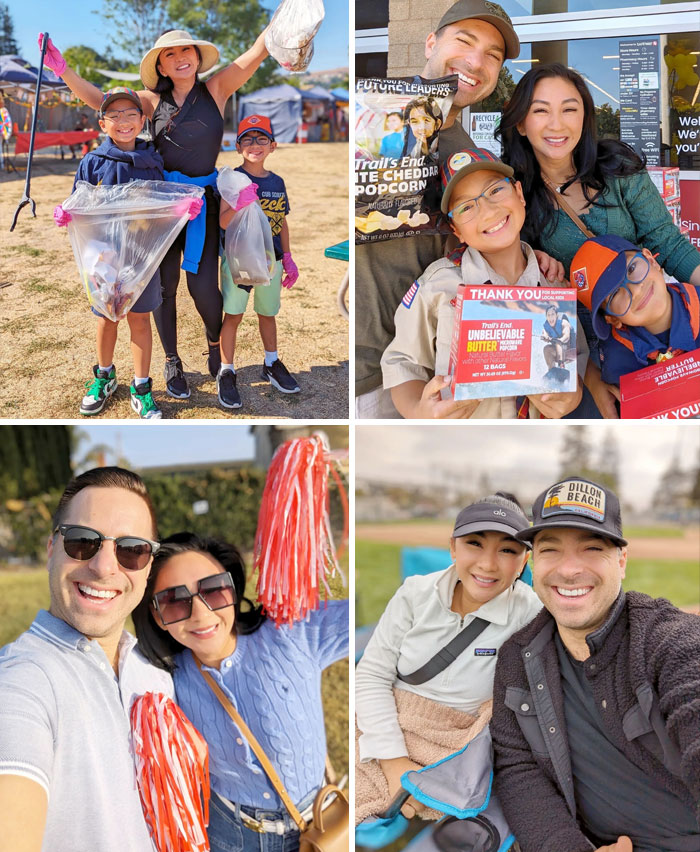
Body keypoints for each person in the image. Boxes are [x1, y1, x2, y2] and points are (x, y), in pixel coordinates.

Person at [355, 0, 564, 418]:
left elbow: (472, 237)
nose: (475, 61)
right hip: (367, 366)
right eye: (464, 41)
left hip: (440, 370)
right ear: (431, 42)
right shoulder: (370, 119)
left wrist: (522, 255)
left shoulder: (469, 156)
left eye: (493, 55)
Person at [40, 24, 271, 400]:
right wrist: (62, 69)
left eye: (186, 52)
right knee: (163, 288)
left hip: (202, 202)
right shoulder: (149, 101)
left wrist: (282, 23)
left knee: (202, 290)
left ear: (197, 58)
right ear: (161, 66)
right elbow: (104, 102)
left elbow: (254, 54)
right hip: (159, 204)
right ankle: (172, 360)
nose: (180, 59)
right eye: (170, 55)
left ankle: (214, 345)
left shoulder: (216, 89)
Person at [490, 477, 700, 852]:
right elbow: (517, 770)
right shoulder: (516, 658)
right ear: (533, 564)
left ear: (621, 561)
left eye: (591, 548)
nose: (569, 570)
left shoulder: (667, 641)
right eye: (551, 550)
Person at [497, 62, 700, 417]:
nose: (557, 124)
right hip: (587, 356)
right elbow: (535, 298)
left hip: (657, 331)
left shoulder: (617, 168)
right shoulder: (515, 200)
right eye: (540, 111)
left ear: (584, 117)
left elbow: (668, 243)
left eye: (569, 109)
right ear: (520, 123)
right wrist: (588, 376)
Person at [132, 533, 349, 852]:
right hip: (231, 836)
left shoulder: (292, 631)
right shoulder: (162, 676)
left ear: (232, 588)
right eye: (174, 601)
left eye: (214, 589)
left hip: (317, 824)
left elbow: (392, 623)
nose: (200, 614)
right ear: (156, 615)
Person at [0, 466, 173, 852]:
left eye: (131, 550)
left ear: (147, 568)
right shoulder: (21, 682)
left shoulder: (153, 671)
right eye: (82, 541)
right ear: (50, 550)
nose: (103, 566)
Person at [355, 493, 542, 822]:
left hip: (458, 743)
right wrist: (393, 762)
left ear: (524, 561)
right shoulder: (415, 594)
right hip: (388, 720)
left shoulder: (531, 614)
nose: (487, 563)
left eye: (508, 550)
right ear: (453, 547)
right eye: (475, 544)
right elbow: (371, 676)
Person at [381, 148, 588, 419]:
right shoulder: (439, 285)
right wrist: (420, 411)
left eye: (494, 191)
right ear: (456, 230)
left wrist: (573, 395)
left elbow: (577, 360)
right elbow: (402, 362)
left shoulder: (554, 288)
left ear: (519, 194)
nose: (487, 210)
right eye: (466, 207)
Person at [56, 87, 193, 419]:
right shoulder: (93, 162)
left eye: (130, 114)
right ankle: (104, 376)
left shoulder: (152, 161)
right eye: (114, 116)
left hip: (141, 261)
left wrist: (182, 207)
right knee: (106, 319)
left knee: (140, 320)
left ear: (142, 120)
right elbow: (81, 202)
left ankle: (141, 386)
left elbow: (159, 205)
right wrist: (67, 212)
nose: (123, 121)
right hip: (103, 260)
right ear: (102, 123)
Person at [216, 114, 300, 409]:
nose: (255, 144)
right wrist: (239, 202)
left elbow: (282, 222)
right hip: (239, 262)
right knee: (234, 315)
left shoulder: (278, 182)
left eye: (261, 138)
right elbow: (224, 223)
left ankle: (271, 362)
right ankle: (227, 370)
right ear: (238, 146)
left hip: (271, 262)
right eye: (248, 139)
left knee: (268, 313)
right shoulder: (232, 180)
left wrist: (287, 257)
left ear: (273, 145)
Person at [570, 234, 700, 387]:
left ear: (651, 260)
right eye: (615, 293)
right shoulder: (617, 357)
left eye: (632, 268)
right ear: (613, 319)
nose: (636, 290)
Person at [400, 96, 442, 162]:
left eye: (426, 120)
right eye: (414, 122)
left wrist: (424, 150)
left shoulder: (438, 145)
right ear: (409, 124)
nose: (421, 127)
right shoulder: (409, 146)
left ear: (437, 124)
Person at [541, 302, 573, 373]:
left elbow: (566, 336)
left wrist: (560, 340)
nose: (550, 317)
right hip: (560, 352)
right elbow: (544, 334)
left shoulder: (564, 323)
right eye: (548, 315)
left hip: (572, 349)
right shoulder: (546, 327)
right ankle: (552, 371)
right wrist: (545, 337)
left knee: (558, 343)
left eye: (552, 314)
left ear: (556, 315)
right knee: (546, 349)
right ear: (546, 317)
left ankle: (561, 367)